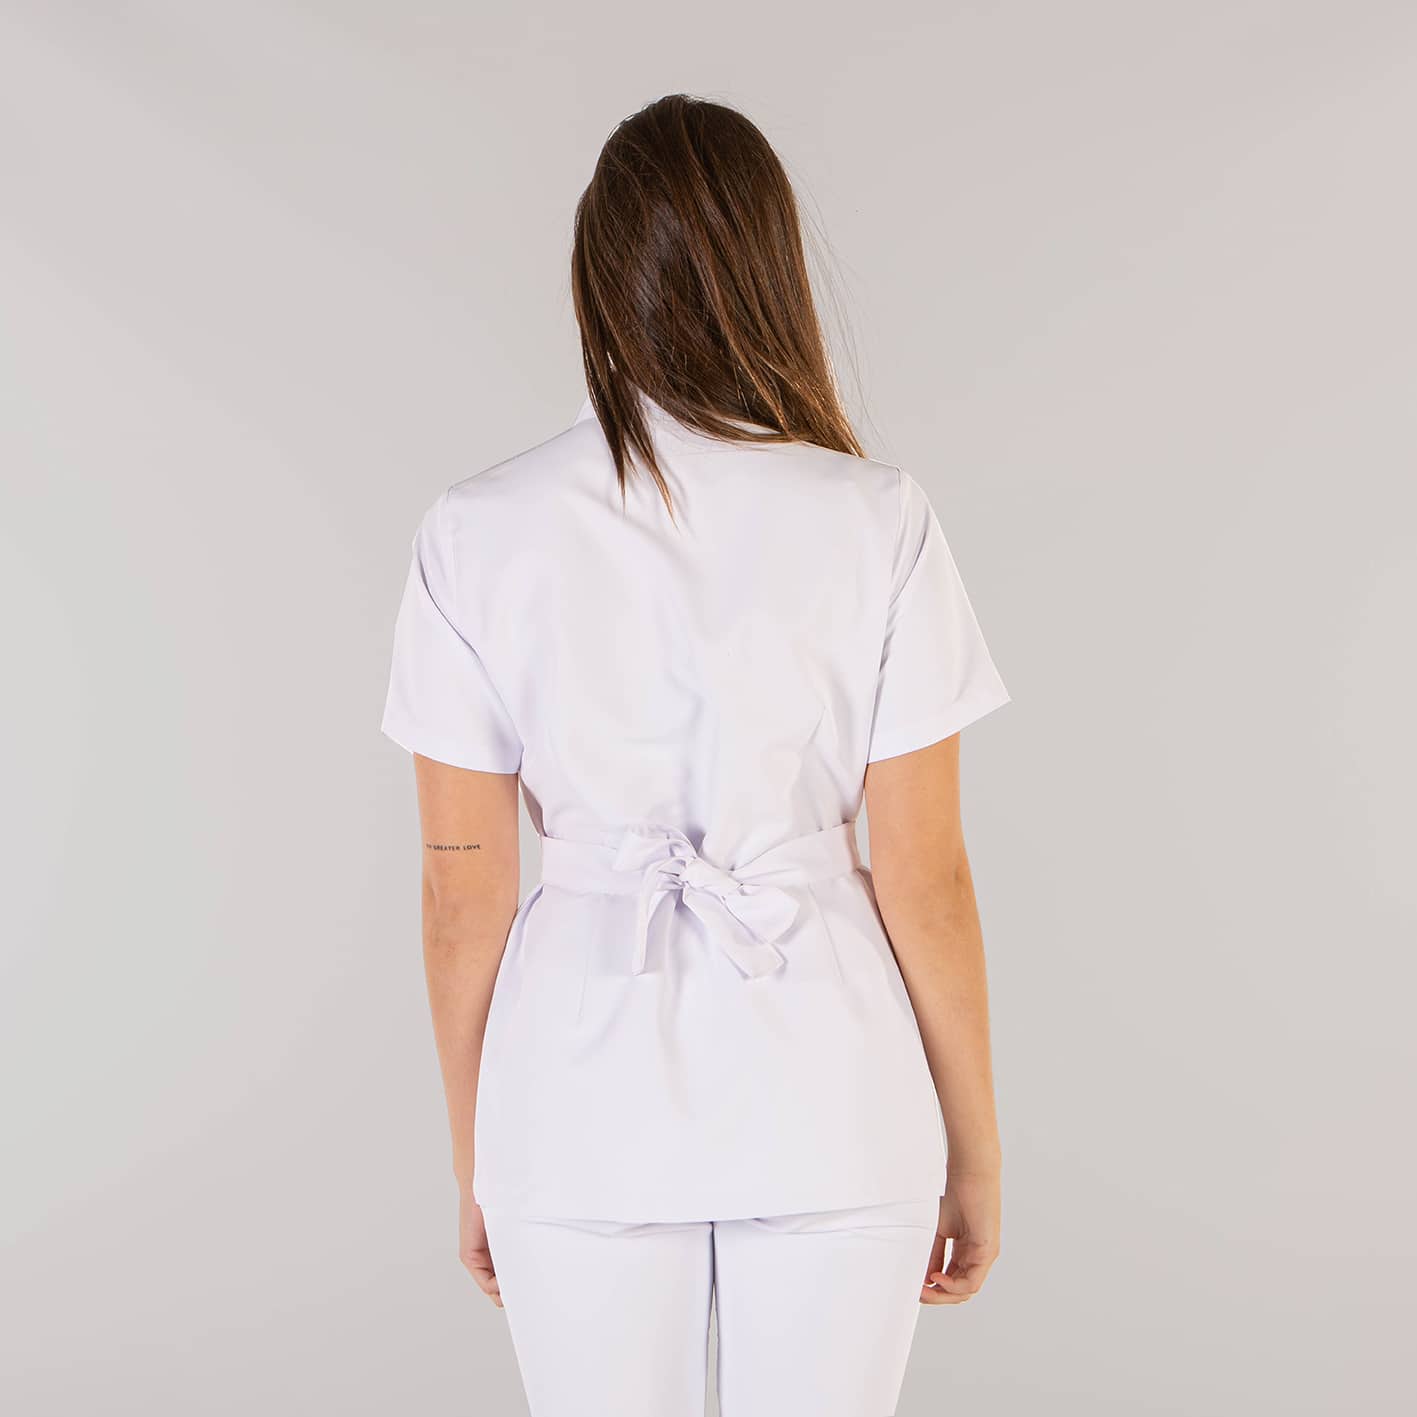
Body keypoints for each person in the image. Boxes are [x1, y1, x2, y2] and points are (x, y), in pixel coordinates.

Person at [380, 93, 1011, 1417]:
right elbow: (925, 876)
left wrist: (479, 1150)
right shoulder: (877, 519)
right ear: (774, 272)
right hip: (834, 1089)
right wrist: (974, 1148)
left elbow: (460, 894)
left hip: (574, 1092)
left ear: (593, 282)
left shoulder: (477, 530)